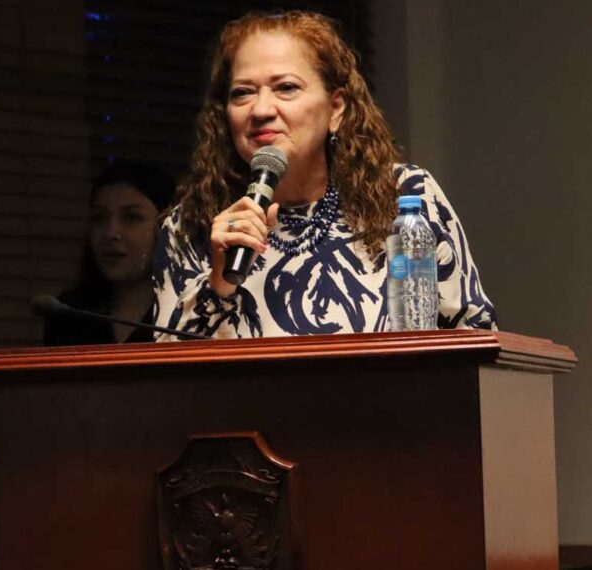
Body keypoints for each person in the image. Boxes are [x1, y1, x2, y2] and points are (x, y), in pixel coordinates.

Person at [153, 10, 496, 340]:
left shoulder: (404, 196)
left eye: (286, 87)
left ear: (335, 109)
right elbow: (165, 371)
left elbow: (476, 336)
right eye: (242, 93)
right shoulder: (191, 224)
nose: (260, 110)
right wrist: (218, 284)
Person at [44, 159, 176, 346]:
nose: (110, 233)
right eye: (99, 218)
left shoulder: (187, 314)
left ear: (167, 227)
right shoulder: (68, 313)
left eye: (131, 218)